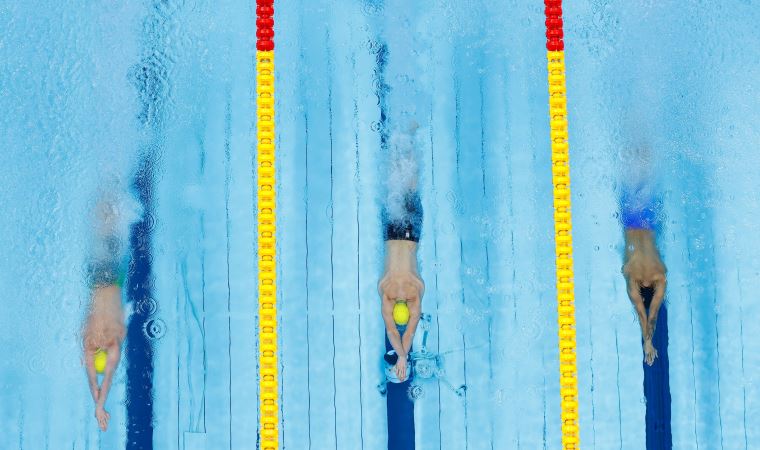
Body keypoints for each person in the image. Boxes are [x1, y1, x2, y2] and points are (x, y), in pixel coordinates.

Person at [378, 123, 424, 382]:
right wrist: (402, 355)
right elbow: (395, 332)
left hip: (411, 233)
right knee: (396, 188)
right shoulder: (386, 291)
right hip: (392, 231)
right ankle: (397, 140)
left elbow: (403, 332)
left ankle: (408, 137)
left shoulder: (414, 292)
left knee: (410, 187)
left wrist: (404, 355)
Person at [82, 199, 128, 431]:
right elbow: (98, 378)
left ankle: (107, 194)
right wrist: (98, 404)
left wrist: (99, 404)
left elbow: (98, 378)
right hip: (101, 278)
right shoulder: (99, 342)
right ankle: (106, 195)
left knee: (107, 231)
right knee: (105, 231)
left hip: (105, 279)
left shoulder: (102, 341)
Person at [620, 148, 667, 366]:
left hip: (647, 218)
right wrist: (646, 341)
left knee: (645, 167)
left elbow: (652, 312)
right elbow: (645, 312)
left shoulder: (660, 275)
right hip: (631, 218)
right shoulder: (633, 276)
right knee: (631, 168)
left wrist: (649, 340)